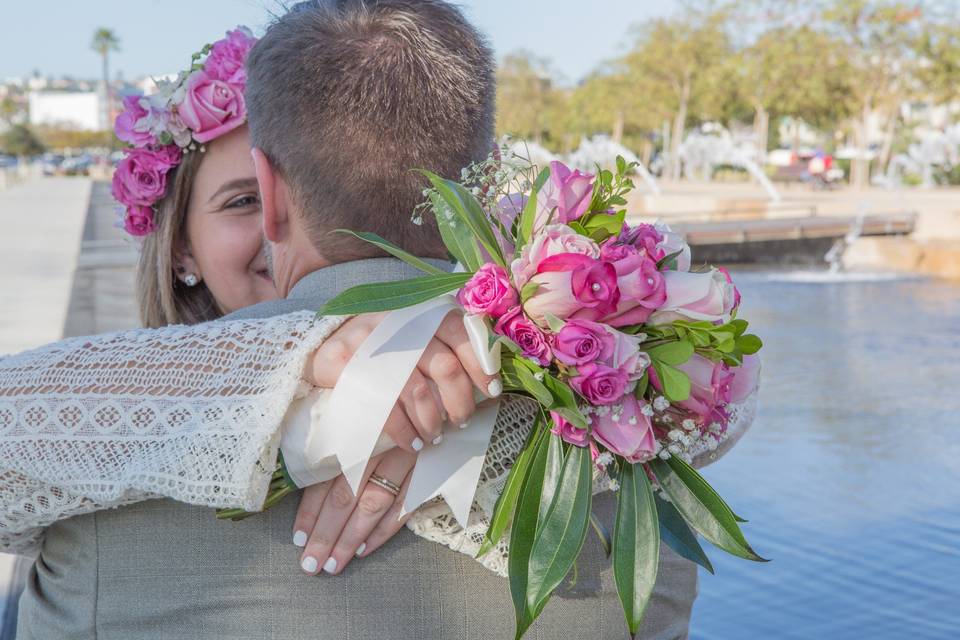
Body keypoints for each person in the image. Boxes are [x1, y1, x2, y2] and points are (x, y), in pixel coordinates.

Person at [3, 3, 756, 638]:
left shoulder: (90, 489)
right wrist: (323, 359)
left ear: (273, 194)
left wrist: (410, 369)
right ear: (483, 174)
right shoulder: (635, 480)